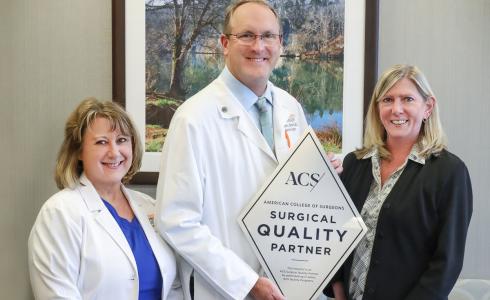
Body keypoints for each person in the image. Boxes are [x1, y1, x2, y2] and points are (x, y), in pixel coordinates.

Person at [155, 1, 341, 299]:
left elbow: (295, 197)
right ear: (225, 44)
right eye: (247, 35)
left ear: (280, 44)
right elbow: (177, 222)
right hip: (223, 289)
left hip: (288, 283)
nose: (259, 46)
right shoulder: (194, 118)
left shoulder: (290, 108)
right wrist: (247, 283)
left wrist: (320, 177)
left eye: (268, 36)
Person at [325, 64, 473, 300]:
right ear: (377, 108)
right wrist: (339, 290)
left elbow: (446, 264)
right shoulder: (355, 163)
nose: (396, 109)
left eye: (407, 99)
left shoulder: (449, 172)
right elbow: (333, 235)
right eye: (388, 100)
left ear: (427, 107)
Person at [28, 98, 182, 300]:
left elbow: (174, 287)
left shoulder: (149, 206)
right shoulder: (59, 213)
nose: (114, 152)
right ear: (78, 151)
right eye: (101, 142)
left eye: (122, 140)